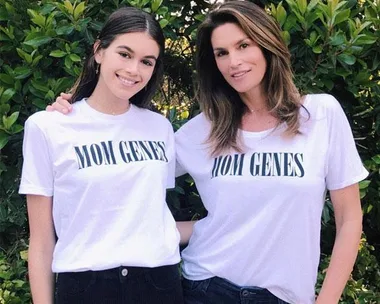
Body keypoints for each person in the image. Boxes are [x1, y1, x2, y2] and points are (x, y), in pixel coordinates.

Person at [48, 1, 367, 304]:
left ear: (267, 43)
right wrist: (78, 117)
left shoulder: (321, 114)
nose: (234, 62)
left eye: (244, 45)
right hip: (205, 288)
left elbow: (349, 218)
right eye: (222, 53)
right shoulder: (204, 129)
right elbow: (123, 174)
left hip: (285, 295)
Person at [19, 7, 183, 304]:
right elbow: (41, 241)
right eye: (124, 54)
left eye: (147, 61)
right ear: (98, 52)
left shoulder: (160, 127)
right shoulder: (48, 127)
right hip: (85, 287)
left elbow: (150, 216)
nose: (134, 69)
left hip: (159, 283)